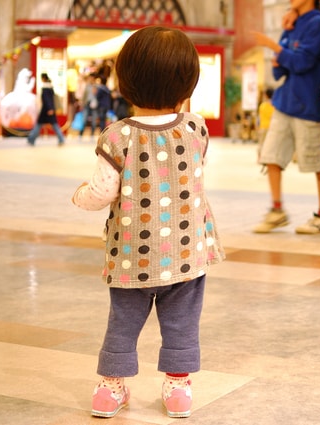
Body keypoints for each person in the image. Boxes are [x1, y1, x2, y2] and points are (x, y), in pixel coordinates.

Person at [71, 26, 225, 419]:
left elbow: (101, 192)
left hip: (131, 257)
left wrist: (78, 195)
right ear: (187, 83)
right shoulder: (195, 129)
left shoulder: (117, 136)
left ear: (125, 82)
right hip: (187, 252)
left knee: (122, 323)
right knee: (182, 324)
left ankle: (109, 390)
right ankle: (177, 390)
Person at [251, 0, 320, 235]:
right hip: (285, 101)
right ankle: (277, 211)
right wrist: (280, 55)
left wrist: (274, 48)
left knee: (315, 160)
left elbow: (303, 61)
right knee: (271, 156)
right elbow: (281, 70)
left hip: (309, 104)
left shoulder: (316, 22)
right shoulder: (292, 22)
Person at [27, 73, 65, 146]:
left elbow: (47, 100)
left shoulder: (45, 88)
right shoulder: (50, 87)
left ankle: (31, 138)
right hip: (49, 109)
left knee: (41, 125)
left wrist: (50, 108)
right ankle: (31, 138)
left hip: (46, 110)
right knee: (53, 125)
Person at [256, 87, 275, 161]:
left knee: (261, 143)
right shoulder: (274, 106)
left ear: (266, 95)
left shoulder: (262, 105)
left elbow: (259, 118)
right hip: (271, 127)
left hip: (263, 127)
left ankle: (259, 157)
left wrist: (257, 126)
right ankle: (270, 158)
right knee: (271, 144)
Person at [78, 74, 98, 140]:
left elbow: (98, 96)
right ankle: (80, 134)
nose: (91, 79)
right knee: (84, 120)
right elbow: (84, 96)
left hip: (94, 106)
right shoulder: (87, 86)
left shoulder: (97, 86)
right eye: (90, 78)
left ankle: (92, 135)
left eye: (92, 78)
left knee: (94, 121)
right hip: (87, 104)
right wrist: (82, 104)